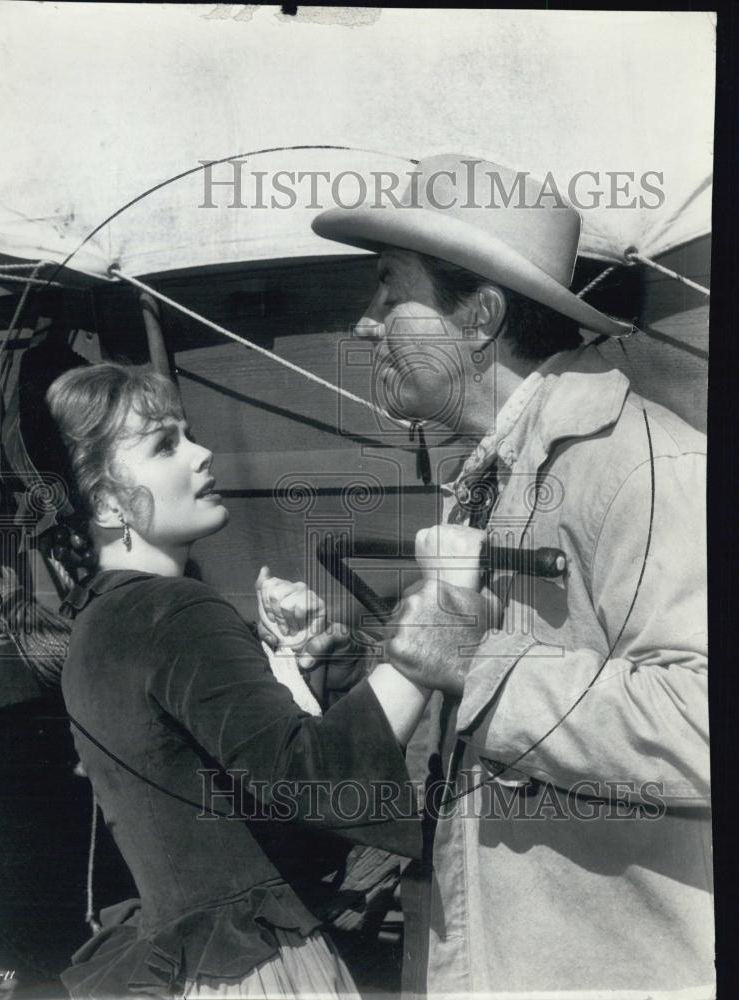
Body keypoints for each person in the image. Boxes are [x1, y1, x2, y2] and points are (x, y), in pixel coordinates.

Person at [312, 154, 711, 997]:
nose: (364, 322)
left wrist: (475, 664)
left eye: (391, 291)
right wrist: (378, 662)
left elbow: (705, 723)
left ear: (482, 314)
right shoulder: (500, 474)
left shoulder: (645, 465)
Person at [44, 362, 429, 999]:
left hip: (188, 967)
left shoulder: (100, 619)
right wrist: (425, 652)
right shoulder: (176, 611)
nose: (202, 452)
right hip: (257, 970)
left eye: (187, 433)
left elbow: (209, 790)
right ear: (109, 501)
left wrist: (295, 671)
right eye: (166, 444)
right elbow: (312, 783)